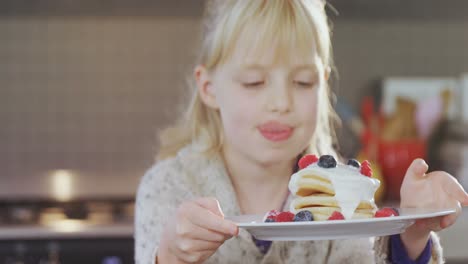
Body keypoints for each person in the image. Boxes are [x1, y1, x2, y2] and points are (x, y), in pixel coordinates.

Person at [135, 1, 468, 263]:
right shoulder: (168, 187)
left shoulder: (341, 191)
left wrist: (411, 235)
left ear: (322, 85)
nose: (281, 102)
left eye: (302, 82)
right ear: (209, 89)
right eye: (254, 82)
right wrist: (172, 257)